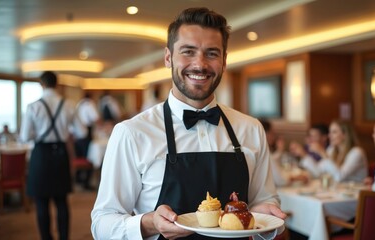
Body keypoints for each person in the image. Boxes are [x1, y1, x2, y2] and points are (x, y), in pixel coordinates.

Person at [91, 7, 286, 240]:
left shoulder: (251, 129)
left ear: (224, 61)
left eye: (212, 53)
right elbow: (102, 224)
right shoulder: (132, 133)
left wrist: (265, 213)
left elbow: (264, 200)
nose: (200, 64)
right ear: (168, 57)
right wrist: (149, 223)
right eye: (188, 52)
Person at [20, 71, 87, 240]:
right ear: (57, 84)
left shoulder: (33, 106)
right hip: (61, 153)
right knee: (61, 200)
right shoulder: (69, 105)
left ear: (41, 84)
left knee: (41, 202)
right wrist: (66, 131)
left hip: (41, 154)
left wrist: (39, 133)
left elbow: (24, 137)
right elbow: (82, 131)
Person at [300, 119, 368, 183]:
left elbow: (339, 177)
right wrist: (303, 155)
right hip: (338, 192)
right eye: (330, 132)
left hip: (355, 194)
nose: (329, 136)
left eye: (334, 132)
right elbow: (318, 172)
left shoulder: (356, 152)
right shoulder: (332, 150)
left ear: (345, 135)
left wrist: (323, 153)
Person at [259, 119, 309, 187]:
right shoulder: (265, 153)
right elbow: (281, 181)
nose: (274, 135)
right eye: (272, 132)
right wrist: (296, 178)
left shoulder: (255, 150)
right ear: (265, 134)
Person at [74, 92, 100, 190]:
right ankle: (86, 183)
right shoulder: (89, 104)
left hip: (77, 134)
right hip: (86, 133)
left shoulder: (79, 104)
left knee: (80, 157)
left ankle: (79, 179)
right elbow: (96, 118)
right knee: (89, 158)